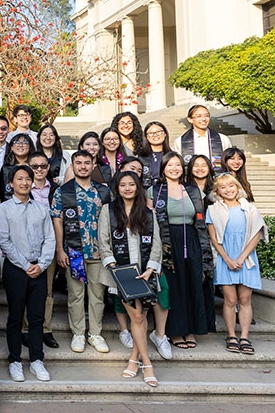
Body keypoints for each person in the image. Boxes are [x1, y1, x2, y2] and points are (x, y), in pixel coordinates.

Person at [99, 171, 163, 387]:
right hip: (122, 273)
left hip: (145, 272)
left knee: (140, 317)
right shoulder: (108, 212)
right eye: (123, 185)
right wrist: (115, 268)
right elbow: (103, 241)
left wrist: (151, 269)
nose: (127, 188)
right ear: (117, 188)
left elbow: (157, 244)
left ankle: (134, 359)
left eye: (131, 184)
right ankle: (148, 363)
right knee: (136, 317)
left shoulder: (148, 213)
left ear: (138, 187)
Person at [0, 166, 56, 381]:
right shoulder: (3, 209)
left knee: (37, 317)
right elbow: (4, 240)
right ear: (11, 183)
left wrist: (41, 264)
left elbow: (50, 238)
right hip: (16, 269)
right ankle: (15, 360)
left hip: (39, 268)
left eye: (27, 179)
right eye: (19, 179)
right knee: (15, 317)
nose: (24, 182)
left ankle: (37, 360)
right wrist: (24, 264)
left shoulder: (41, 209)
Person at [149, 152, 213, 349]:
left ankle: (191, 329)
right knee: (174, 286)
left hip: (191, 239)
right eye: (170, 165)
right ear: (163, 168)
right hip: (168, 241)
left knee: (193, 282)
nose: (174, 168)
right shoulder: (155, 190)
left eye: (178, 165)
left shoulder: (193, 190)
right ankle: (175, 331)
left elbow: (200, 219)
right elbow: (149, 220)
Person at [52, 150, 113, 354]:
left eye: (87, 163)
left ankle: (95, 333)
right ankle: (78, 333)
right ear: (73, 165)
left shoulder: (103, 192)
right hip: (74, 251)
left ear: (94, 164)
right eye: (79, 163)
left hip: (98, 253)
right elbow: (57, 220)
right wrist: (60, 249)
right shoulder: (63, 191)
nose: (83, 166)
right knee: (76, 295)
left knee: (97, 295)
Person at [207, 174, 267, 355]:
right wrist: (228, 259)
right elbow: (214, 238)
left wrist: (241, 258)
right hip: (226, 259)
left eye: (231, 186)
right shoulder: (213, 210)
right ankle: (232, 335)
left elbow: (257, 235)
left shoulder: (249, 208)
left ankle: (245, 337)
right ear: (217, 192)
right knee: (230, 300)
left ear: (237, 187)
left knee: (245, 300)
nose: (228, 190)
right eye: (223, 187)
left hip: (246, 259)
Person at [27, 151, 60, 349]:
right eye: (34, 166)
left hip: (49, 246)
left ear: (48, 168)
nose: (39, 170)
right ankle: (25, 329)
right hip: (27, 247)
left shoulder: (56, 189)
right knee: (27, 290)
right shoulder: (22, 188)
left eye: (43, 166)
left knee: (47, 291)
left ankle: (45, 329)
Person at [175, 104, 231, 172]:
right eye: (199, 116)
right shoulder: (180, 141)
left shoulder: (223, 139)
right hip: (191, 181)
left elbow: (229, 162)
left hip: (217, 180)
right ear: (190, 119)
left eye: (207, 116)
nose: (204, 119)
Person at [0, 133, 37, 202]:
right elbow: (3, 193)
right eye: (17, 142)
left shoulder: (36, 167)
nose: (20, 145)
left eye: (25, 142)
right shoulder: (6, 169)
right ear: (12, 147)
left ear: (30, 146)